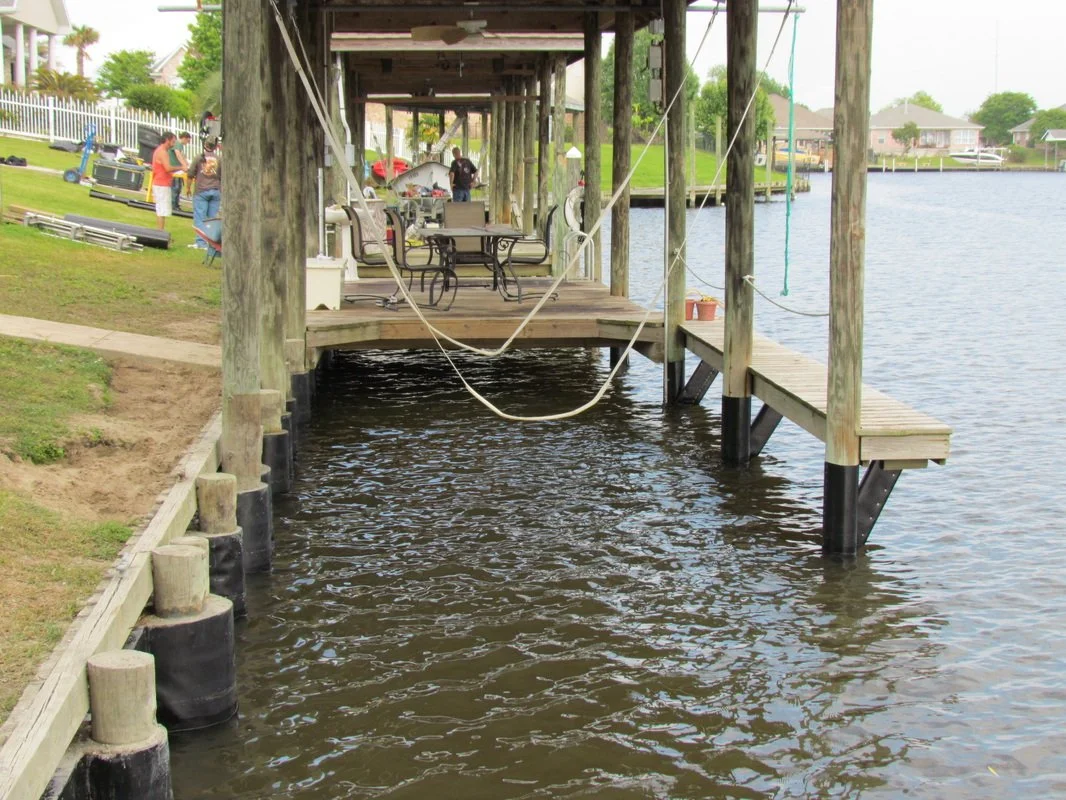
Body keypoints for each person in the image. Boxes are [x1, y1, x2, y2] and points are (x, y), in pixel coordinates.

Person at [188, 135, 222, 250]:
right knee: (212, 220)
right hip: (216, 191)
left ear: (205, 144)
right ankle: (211, 243)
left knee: (200, 217)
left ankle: (201, 242)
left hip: (201, 190)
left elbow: (190, 174)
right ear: (216, 146)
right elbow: (222, 176)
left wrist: (188, 188)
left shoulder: (199, 157)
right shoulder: (219, 159)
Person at [151, 131, 180, 231]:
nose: (174, 144)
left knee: (161, 210)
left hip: (160, 183)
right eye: (173, 141)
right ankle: (160, 233)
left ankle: (160, 232)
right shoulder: (162, 152)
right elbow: (168, 168)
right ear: (167, 140)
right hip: (161, 184)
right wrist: (181, 167)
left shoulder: (160, 150)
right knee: (162, 210)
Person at [171, 131, 192, 209]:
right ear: (184, 138)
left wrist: (187, 164)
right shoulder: (177, 144)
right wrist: (184, 165)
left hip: (177, 169)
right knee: (175, 187)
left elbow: (182, 156)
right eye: (187, 141)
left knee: (178, 187)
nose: (187, 143)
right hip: (174, 169)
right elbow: (178, 155)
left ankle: (176, 204)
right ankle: (173, 204)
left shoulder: (180, 145)